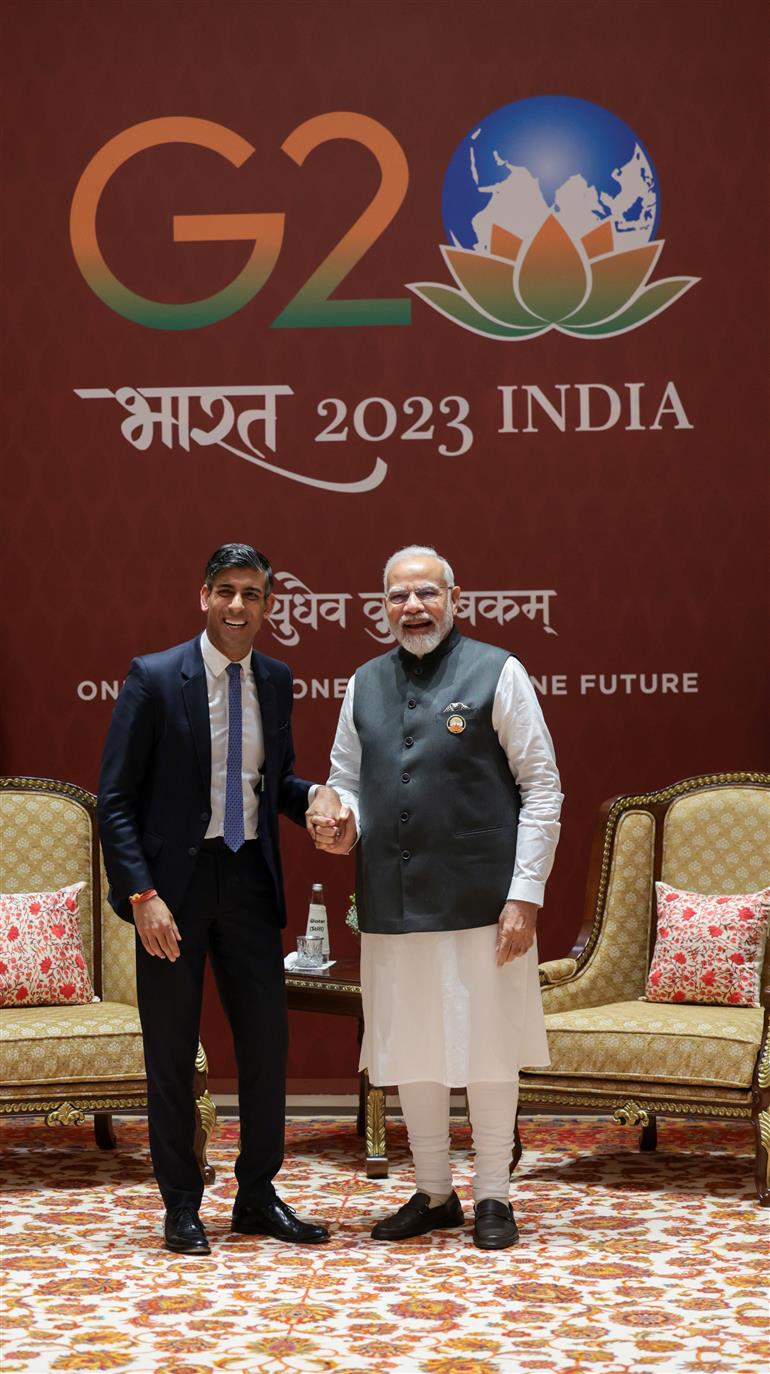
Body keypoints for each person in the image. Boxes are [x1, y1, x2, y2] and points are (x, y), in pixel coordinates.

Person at [307, 545, 562, 1250]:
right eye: (397, 597)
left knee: (487, 1047)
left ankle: (492, 1195)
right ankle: (433, 1191)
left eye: (426, 593)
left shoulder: (498, 671)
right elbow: (345, 777)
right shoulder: (362, 683)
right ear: (381, 607)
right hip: (391, 898)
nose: (412, 607)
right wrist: (338, 817)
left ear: (457, 598)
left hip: (485, 902)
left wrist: (526, 895)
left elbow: (542, 787)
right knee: (409, 1046)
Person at [98, 543, 340, 1255]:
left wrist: (317, 801)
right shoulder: (152, 678)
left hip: (247, 882)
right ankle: (181, 1205)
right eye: (227, 591)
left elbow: (278, 785)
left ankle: (258, 1196)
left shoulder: (275, 678)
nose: (239, 606)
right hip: (171, 891)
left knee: (266, 1045)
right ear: (203, 596)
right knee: (171, 1050)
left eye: (254, 594)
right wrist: (142, 894)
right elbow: (114, 801)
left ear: (270, 604)